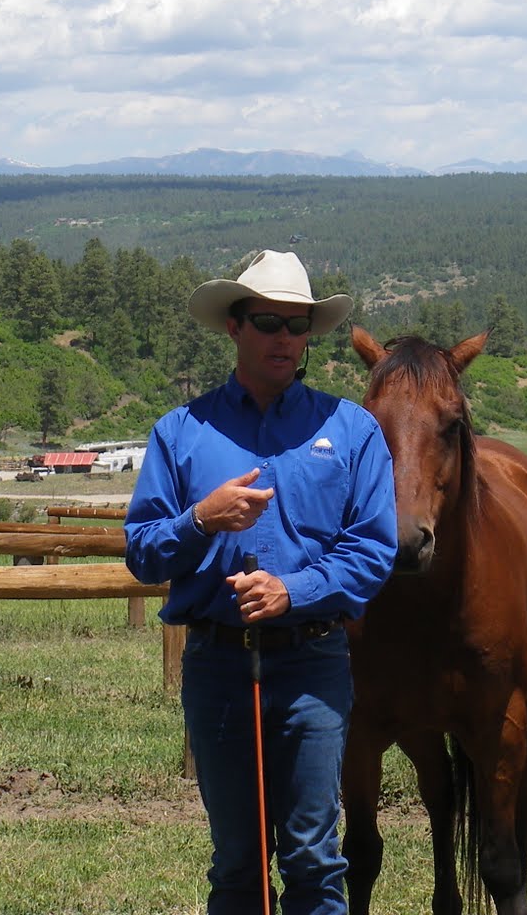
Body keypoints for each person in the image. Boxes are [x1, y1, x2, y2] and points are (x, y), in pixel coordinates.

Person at [125, 249, 398, 915]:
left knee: (314, 859)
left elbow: (373, 550)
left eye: (298, 325)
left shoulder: (352, 430)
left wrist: (292, 591)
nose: (284, 338)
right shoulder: (180, 433)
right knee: (238, 864)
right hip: (218, 664)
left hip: (313, 662)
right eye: (268, 322)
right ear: (235, 327)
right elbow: (143, 553)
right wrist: (200, 520)